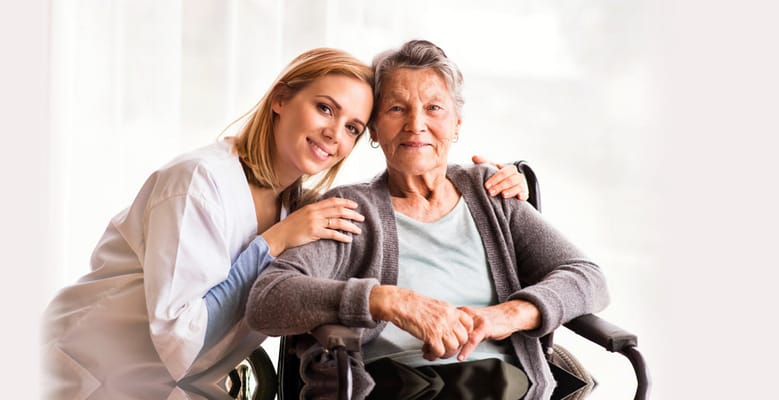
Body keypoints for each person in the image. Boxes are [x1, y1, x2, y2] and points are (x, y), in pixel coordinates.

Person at [41, 47, 530, 400]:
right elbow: (182, 345)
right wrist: (272, 243)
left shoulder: (298, 202)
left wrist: (516, 179)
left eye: (352, 127)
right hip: (75, 369)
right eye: (324, 108)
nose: (333, 135)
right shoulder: (198, 183)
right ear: (280, 99)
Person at [247, 39, 609, 400]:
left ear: (456, 124)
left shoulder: (491, 192)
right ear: (374, 130)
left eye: (434, 107)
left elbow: (587, 277)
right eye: (396, 109)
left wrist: (507, 315)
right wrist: (384, 300)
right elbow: (267, 301)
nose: (416, 124)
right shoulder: (351, 210)